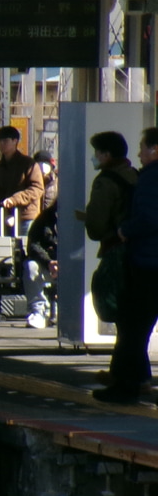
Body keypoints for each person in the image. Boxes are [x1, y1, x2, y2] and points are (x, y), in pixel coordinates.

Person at [95, 127, 158, 404]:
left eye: (143, 147)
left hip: (148, 262)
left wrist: (125, 230)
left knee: (132, 327)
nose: (139, 153)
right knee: (136, 327)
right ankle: (132, 379)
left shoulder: (151, 178)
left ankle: (125, 384)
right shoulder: (140, 176)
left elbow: (149, 218)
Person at [0, 126, 44, 236]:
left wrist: (15, 199)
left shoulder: (28, 163)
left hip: (26, 217)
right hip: (6, 217)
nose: (1, 144)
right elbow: (0, 197)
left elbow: (37, 189)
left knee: (26, 249)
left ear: (15, 141)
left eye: (5, 140)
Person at [23, 201, 57, 329]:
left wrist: (64, 261)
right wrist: (49, 262)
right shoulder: (44, 218)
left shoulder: (77, 217)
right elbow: (33, 245)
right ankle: (37, 311)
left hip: (70, 262)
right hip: (46, 262)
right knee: (31, 266)